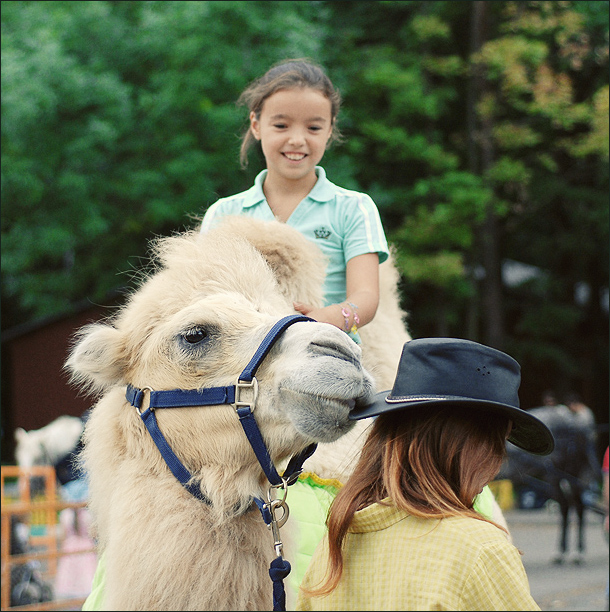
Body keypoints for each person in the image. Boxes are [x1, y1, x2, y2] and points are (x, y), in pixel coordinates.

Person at [296, 337, 555, 611]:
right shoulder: (479, 549)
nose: (498, 463)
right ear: (470, 445)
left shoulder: (337, 541)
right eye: (497, 443)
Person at [200, 58, 390, 344]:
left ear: (329, 129)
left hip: (328, 353)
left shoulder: (354, 208)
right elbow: (203, 293)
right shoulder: (224, 213)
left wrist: (330, 318)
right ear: (256, 125)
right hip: (244, 361)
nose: (297, 140)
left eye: (313, 128)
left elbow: (366, 297)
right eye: (281, 125)